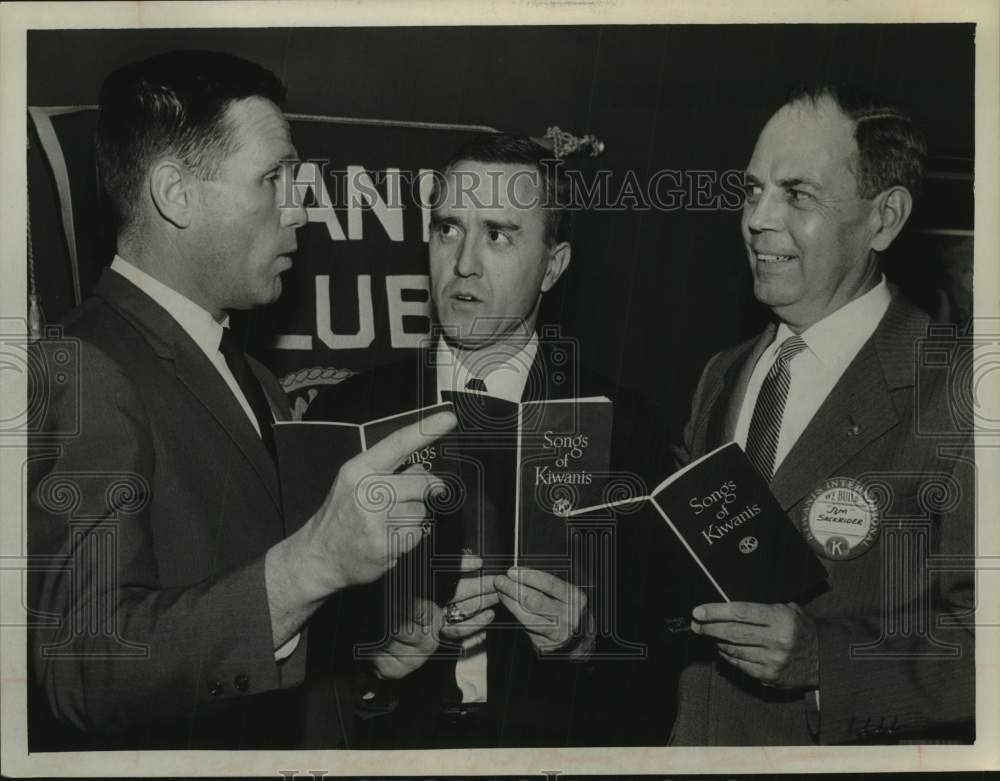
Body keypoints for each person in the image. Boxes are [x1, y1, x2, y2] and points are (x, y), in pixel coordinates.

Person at [27, 50, 455, 750]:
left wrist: (365, 656)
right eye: (272, 178)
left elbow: (258, 626)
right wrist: (311, 566)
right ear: (176, 193)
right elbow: (85, 667)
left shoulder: (254, 377)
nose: (300, 207)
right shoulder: (81, 367)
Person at [306, 134, 658, 747]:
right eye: (448, 229)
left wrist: (586, 641)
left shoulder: (625, 427)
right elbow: (290, 625)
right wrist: (372, 657)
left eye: (498, 235)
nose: (464, 263)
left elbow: (668, 645)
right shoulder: (347, 415)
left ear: (553, 266)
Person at [671, 84, 975, 745]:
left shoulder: (960, 390)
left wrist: (825, 664)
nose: (758, 219)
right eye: (753, 191)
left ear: (884, 219)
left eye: (797, 194)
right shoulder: (722, 374)